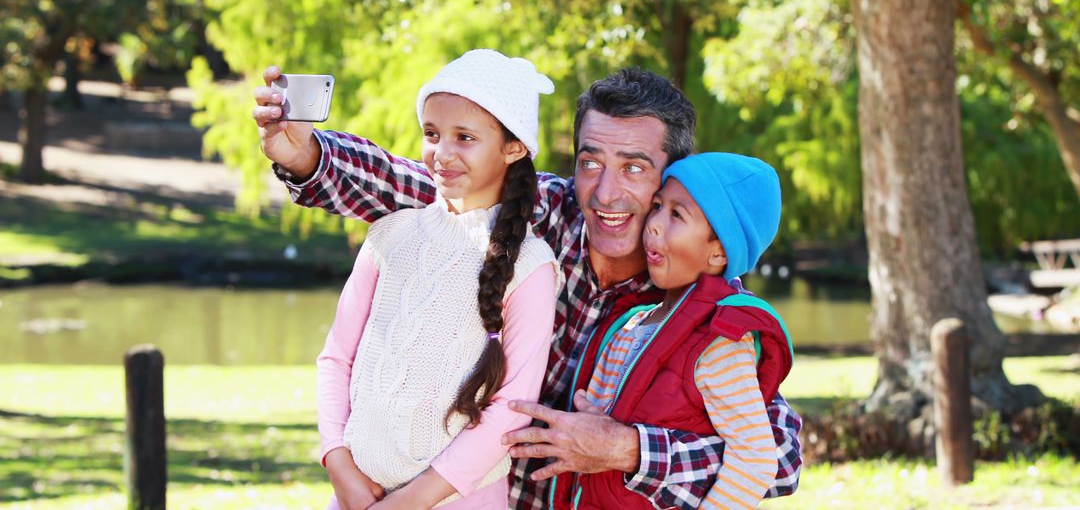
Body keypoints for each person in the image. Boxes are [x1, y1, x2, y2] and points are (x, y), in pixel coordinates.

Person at [253, 66, 802, 510]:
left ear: (675, 176)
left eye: (634, 169)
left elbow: (779, 456)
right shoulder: (537, 213)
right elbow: (417, 183)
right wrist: (306, 156)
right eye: (591, 162)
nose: (606, 194)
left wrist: (628, 448)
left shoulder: (701, 303)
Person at [313, 49, 560, 509]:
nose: (442, 153)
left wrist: (406, 503)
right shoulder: (390, 235)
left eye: (464, 137)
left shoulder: (530, 266)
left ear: (513, 147)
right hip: (355, 497)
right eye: (432, 133)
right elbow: (335, 359)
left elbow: (510, 410)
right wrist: (338, 463)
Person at [549, 152, 793, 509]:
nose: (655, 224)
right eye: (659, 205)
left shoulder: (719, 342)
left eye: (677, 215)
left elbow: (755, 459)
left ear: (718, 253)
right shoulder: (632, 322)